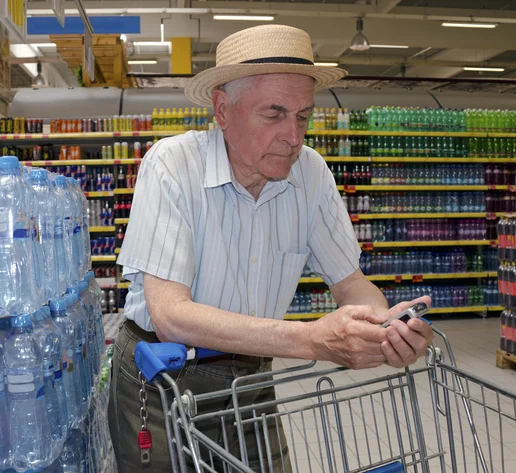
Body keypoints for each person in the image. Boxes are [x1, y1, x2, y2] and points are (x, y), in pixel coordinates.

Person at [108, 24, 434, 473]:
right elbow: (170, 315)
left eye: (303, 116)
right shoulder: (172, 166)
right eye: (274, 114)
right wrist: (311, 338)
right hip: (162, 378)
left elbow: (351, 283)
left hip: (252, 378)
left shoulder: (312, 174)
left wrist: (383, 328)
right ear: (223, 109)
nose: (294, 136)